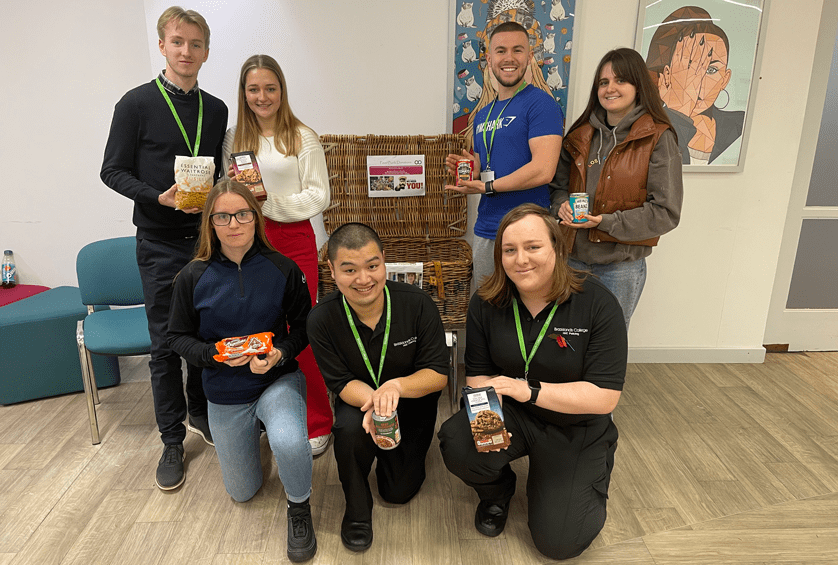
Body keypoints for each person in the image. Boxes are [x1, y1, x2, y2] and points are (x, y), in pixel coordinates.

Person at [438, 203, 627, 560]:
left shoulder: (597, 303)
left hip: (576, 426)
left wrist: (528, 390)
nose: (520, 259)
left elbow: (604, 397)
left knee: (559, 542)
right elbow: (478, 375)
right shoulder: (486, 302)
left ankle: (585, 472)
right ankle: (498, 492)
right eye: (509, 250)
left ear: (558, 248)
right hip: (515, 415)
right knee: (458, 442)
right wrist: (488, 425)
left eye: (533, 247)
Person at [100, 6, 228, 490]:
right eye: (177, 42)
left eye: (195, 44)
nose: (186, 51)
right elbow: (111, 171)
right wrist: (157, 197)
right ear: (162, 46)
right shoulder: (134, 104)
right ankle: (172, 440)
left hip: (206, 241)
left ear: (206, 52)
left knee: (204, 335)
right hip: (157, 242)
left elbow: (219, 171)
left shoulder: (217, 109)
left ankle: (201, 414)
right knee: (165, 345)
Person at [168, 179, 316, 563]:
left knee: (289, 442)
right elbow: (177, 337)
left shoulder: (283, 268)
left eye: (242, 214)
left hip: (276, 379)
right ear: (210, 223)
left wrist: (280, 353)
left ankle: (299, 507)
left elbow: (304, 327)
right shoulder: (192, 277)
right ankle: (256, 439)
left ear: (256, 218)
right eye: (222, 216)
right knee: (242, 492)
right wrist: (212, 355)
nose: (233, 224)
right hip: (224, 390)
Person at [306, 223, 448, 552]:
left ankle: (397, 460)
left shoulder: (417, 303)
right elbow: (340, 382)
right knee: (348, 429)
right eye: (349, 270)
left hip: (413, 404)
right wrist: (377, 401)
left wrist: (395, 387)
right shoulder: (321, 319)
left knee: (397, 493)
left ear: (384, 260)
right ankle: (357, 509)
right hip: (359, 403)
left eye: (372, 266)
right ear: (331, 271)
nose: (363, 279)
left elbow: (438, 374)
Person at [222, 54, 333, 455]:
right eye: (254, 89)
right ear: (244, 93)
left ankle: (318, 420)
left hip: (294, 239)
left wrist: (266, 206)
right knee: (257, 326)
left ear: (282, 91)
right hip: (247, 240)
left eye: (270, 88)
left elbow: (319, 196)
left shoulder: (302, 136)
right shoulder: (234, 138)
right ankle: (271, 415)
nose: (262, 96)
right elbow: (227, 193)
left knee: (301, 328)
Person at [550, 48, 683, 329]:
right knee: (564, 339)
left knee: (607, 344)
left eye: (620, 80)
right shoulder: (579, 135)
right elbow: (557, 187)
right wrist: (560, 205)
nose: (610, 88)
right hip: (571, 262)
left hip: (620, 268)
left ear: (638, 86)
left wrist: (605, 222)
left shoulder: (659, 137)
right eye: (603, 82)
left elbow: (665, 212)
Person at [445, 21, 564, 293]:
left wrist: (487, 186)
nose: (509, 58)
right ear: (489, 59)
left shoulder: (542, 104)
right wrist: (472, 170)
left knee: (529, 308)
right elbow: (489, 166)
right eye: (501, 51)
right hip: (487, 230)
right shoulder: (483, 115)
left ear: (529, 57)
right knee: (487, 309)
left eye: (517, 50)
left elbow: (543, 169)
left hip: (528, 233)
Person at [645, 6, 743, 165]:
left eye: (711, 70)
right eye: (689, 67)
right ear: (666, 75)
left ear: (725, 79)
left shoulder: (740, 125)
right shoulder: (647, 129)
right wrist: (678, 114)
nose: (698, 82)